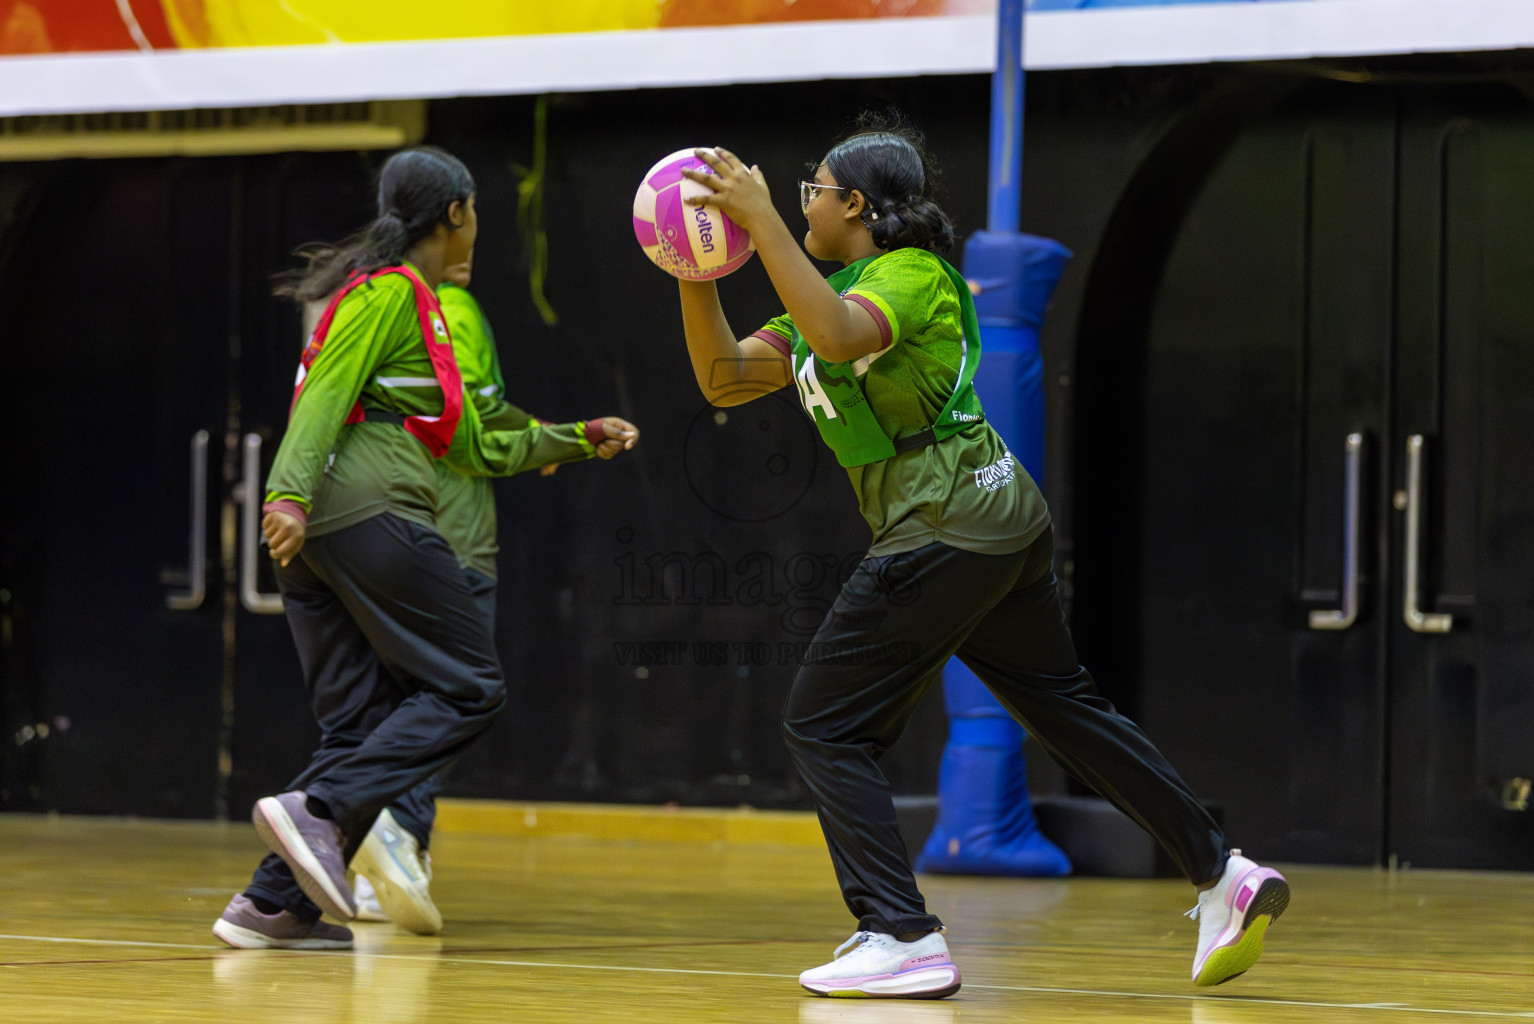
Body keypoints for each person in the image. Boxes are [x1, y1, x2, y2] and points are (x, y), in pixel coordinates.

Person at [672, 115, 1289, 999]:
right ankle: (1223, 874)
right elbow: (726, 377)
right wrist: (693, 270)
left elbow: (843, 335)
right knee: (1065, 709)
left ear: (854, 203)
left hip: (944, 526)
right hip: (998, 524)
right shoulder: (823, 286)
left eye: (812, 186)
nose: (799, 196)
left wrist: (762, 222)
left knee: (822, 723)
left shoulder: (912, 276)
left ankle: (900, 931)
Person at [213, 145, 636, 950]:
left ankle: (271, 906)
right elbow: (327, 391)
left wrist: (578, 439)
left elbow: (475, 445)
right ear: (455, 213)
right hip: (363, 514)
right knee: (470, 685)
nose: (479, 227)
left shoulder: (418, 306)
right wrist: (287, 494)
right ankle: (322, 814)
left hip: (319, 537)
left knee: (358, 725)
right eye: (475, 212)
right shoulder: (391, 292)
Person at [348, 258, 639, 933]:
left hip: (370, 533)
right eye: (468, 213)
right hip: (447, 535)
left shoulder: (363, 306)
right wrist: (563, 440)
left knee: (384, 701)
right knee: (453, 696)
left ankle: (353, 852)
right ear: (447, 220)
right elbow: (471, 417)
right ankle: (398, 840)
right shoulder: (449, 305)